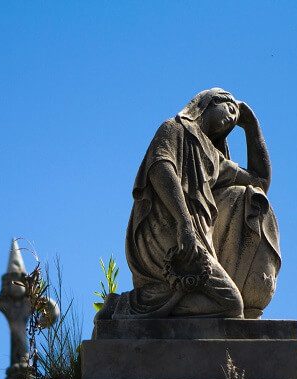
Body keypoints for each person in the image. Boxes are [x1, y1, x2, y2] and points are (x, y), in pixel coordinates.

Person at [110, 88, 281, 319]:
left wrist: (252, 127)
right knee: (230, 305)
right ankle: (131, 306)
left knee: (224, 304)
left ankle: (136, 302)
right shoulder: (175, 128)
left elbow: (260, 181)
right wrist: (184, 223)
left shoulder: (213, 156)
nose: (232, 117)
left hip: (196, 239)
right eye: (229, 108)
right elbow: (161, 167)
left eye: (235, 117)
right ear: (208, 103)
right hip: (167, 232)